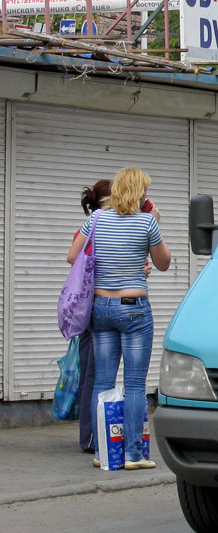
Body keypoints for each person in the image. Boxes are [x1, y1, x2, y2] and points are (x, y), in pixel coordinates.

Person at [67, 168, 171, 470]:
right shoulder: (147, 221)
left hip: (100, 308)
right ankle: (133, 454)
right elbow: (163, 263)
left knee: (102, 380)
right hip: (134, 308)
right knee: (135, 384)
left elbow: (73, 257)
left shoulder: (96, 220)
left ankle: (102, 452)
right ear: (139, 192)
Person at [73, 180, 111, 454]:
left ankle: (90, 433)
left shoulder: (98, 224)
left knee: (92, 372)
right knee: (94, 373)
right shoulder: (98, 225)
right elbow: (73, 258)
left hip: (90, 306)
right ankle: (90, 436)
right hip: (95, 305)